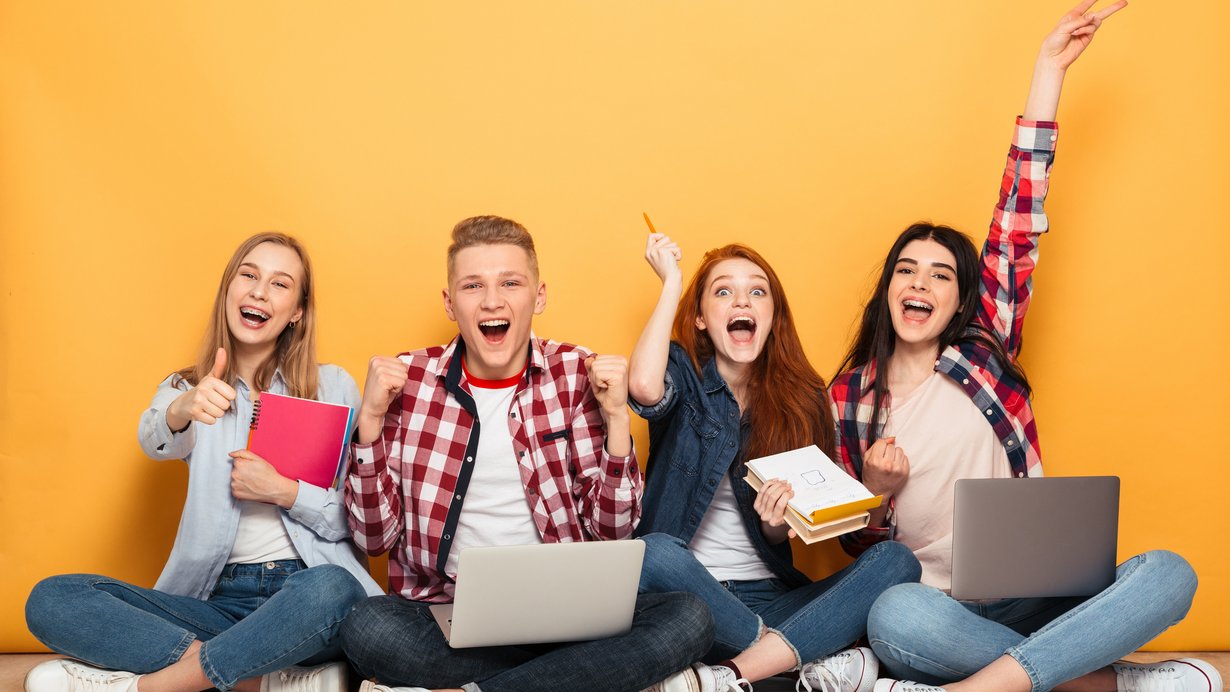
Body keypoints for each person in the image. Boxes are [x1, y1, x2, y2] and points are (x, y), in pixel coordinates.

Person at [830, 4, 1220, 691]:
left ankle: (984, 686)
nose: (921, 283)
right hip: (940, 606)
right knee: (892, 614)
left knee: (1169, 573)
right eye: (907, 270)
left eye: (941, 275)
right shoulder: (849, 397)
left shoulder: (982, 351)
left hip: (1038, 590)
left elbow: (1018, 222)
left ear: (961, 301)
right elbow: (855, 550)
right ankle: (1113, 684)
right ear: (887, 289)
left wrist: (1049, 70)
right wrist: (875, 492)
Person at [339, 215, 713, 692]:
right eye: (473, 286)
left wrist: (619, 418)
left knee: (690, 616)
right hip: (442, 616)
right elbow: (374, 540)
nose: (493, 300)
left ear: (538, 296)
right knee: (367, 627)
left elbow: (612, 529)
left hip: (566, 619)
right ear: (450, 304)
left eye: (510, 283)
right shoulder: (407, 378)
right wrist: (369, 423)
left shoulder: (578, 372)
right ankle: (571, 683)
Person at [24, 232, 382, 692]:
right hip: (216, 603)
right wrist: (182, 409)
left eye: (279, 283)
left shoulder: (332, 387)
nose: (258, 291)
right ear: (228, 289)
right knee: (52, 598)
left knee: (333, 587)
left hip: (307, 594)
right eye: (248, 275)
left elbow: (357, 519)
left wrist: (284, 492)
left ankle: (153, 686)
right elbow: (154, 439)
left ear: (296, 311)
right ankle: (260, 677)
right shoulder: (188, 386)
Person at [628, 237, 921, 692]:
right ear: (702, 319)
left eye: (757, 292)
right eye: (723, 292)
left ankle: (733, 673)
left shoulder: (801, 399)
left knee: (896, 561)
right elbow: (645, 388)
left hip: (771, 599)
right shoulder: (682, 371)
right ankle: (790, 657)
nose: (742, 300)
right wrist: (672, 283)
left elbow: (801, 531)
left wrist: (775, 523)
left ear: (772, 318)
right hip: (686, 600)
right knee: (651, 551)